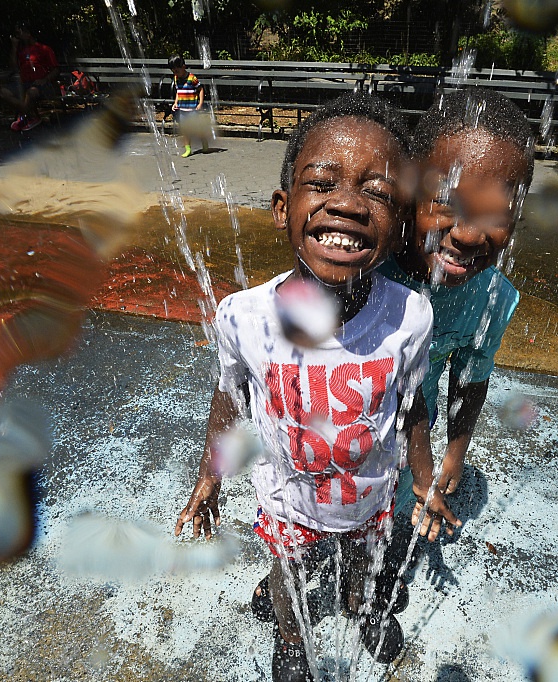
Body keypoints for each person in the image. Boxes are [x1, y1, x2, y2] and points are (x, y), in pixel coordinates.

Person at [174, 93, 460, 682]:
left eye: (377, 193)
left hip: (370, 495)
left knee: (363, 563)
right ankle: (288, 638)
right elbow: (229, 396)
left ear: (400, 222)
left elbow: (414, 404)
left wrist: (426, 481)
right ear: (284, 208)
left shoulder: (410, 316)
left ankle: (362, 608)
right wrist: (209, 476)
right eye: (322, 183)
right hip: (287, 498)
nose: (349, 205)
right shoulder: (244, 316)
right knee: (286, 575)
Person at [381, 88, 534, 498]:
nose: (467, 234)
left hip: (412, 437)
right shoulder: (367, 262)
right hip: (335, 426)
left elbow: (470, 377)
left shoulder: (490, 298)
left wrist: (455, 450)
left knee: (391, 518)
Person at [0, 23, 59, 132]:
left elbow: (56, 70)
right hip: (24, 83)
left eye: (18, 33)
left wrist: (44, 79)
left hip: (42, 84)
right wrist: (14, 47)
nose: (16, 36)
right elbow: (13, 67)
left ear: (28, 33)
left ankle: (24, 117)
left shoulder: (44, 49)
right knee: (4, 92)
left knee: (31, 92)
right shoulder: (20, 50)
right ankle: (31, 116)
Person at [167, 54, 209, 158]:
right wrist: (176, 103)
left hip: (192, 109)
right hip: (182, 109)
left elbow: (200, 89)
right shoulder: (176, 78)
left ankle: (204, 141)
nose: (176, 73)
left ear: (183, 67)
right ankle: (188, 149)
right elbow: (178, 92)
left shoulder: (192, 78)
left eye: (177, 71)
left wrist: (200, 103)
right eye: (173, 71)